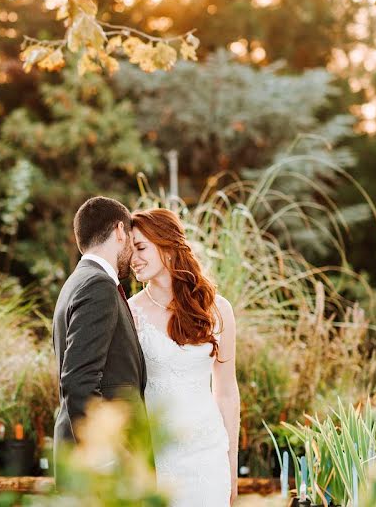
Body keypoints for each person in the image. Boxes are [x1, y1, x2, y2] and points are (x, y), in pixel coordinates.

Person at [128, 207, 241, 506]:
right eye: (129, 250)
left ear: (166, 245)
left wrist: (231, 467)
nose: (133, 258)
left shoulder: (218, 310)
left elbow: (227, 392)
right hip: (159, 456)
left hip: (208, 455)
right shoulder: (129, 313)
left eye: (140, 247)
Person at [51, 196, 147, 478]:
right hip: (100, 468)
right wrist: (107, 456)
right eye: (132, 239)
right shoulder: (98, 285)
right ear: (120, 231)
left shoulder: (77, 282)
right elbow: (78, 380)